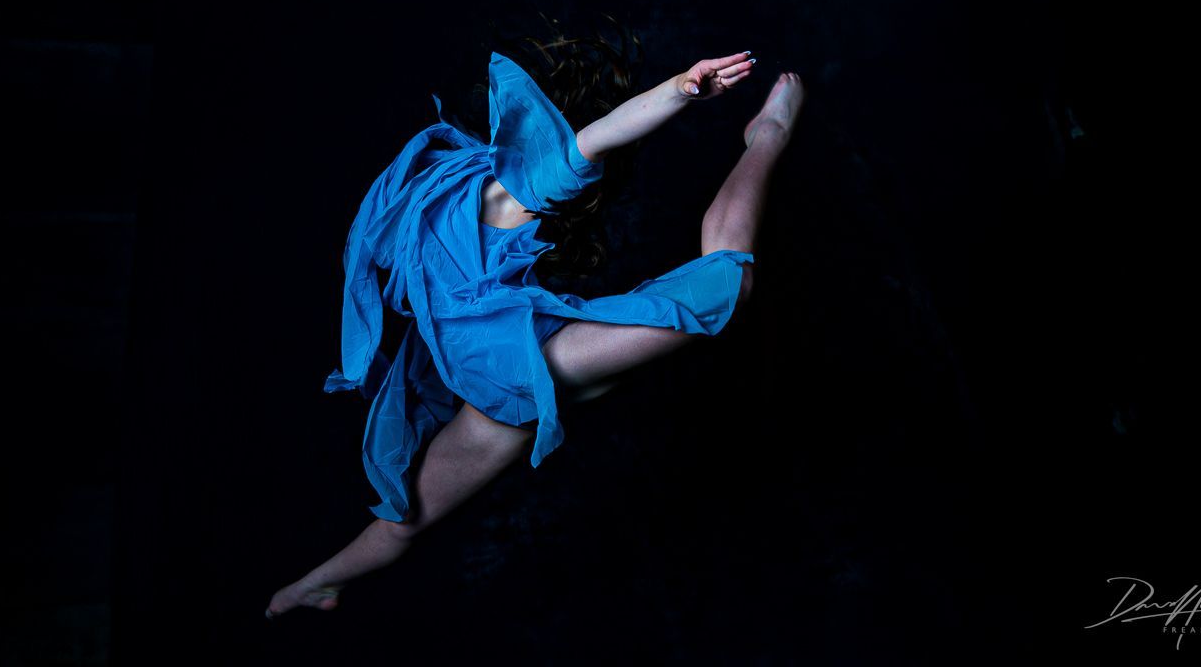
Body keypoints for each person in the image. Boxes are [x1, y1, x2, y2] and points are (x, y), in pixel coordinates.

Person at [267, 36, 804, 618]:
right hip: (507, 391)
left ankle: (766, 135)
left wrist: (679, 90)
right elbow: (600, 135)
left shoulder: (447, 180)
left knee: (725, 288)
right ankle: (317, 584)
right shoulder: (477, 182)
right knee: (405, 519)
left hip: (518, 378)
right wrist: (678, 89)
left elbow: (602, 135)